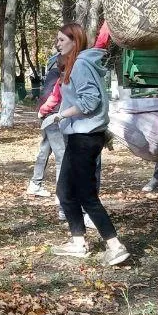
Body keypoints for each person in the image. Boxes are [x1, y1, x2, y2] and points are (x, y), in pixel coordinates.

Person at [50, 23, 130, 267]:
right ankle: (78, 242)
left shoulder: (81, 64)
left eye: (62, 40)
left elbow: (91, 101)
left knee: (86, 193)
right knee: (65, 190)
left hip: (84, 137)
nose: (58, 43)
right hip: (81, 135)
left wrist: (61, 115)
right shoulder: (74, 63)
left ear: (76, 41)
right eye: (57, 40)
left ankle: (114, 245)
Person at [26, 46, 65, 198]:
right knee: (61, 155)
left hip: (48, 116)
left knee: (44, 151)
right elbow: (52, 95)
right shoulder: (56, 74)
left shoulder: (52, 74)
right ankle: (62, 195)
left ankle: (35, 184)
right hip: (53, 117)